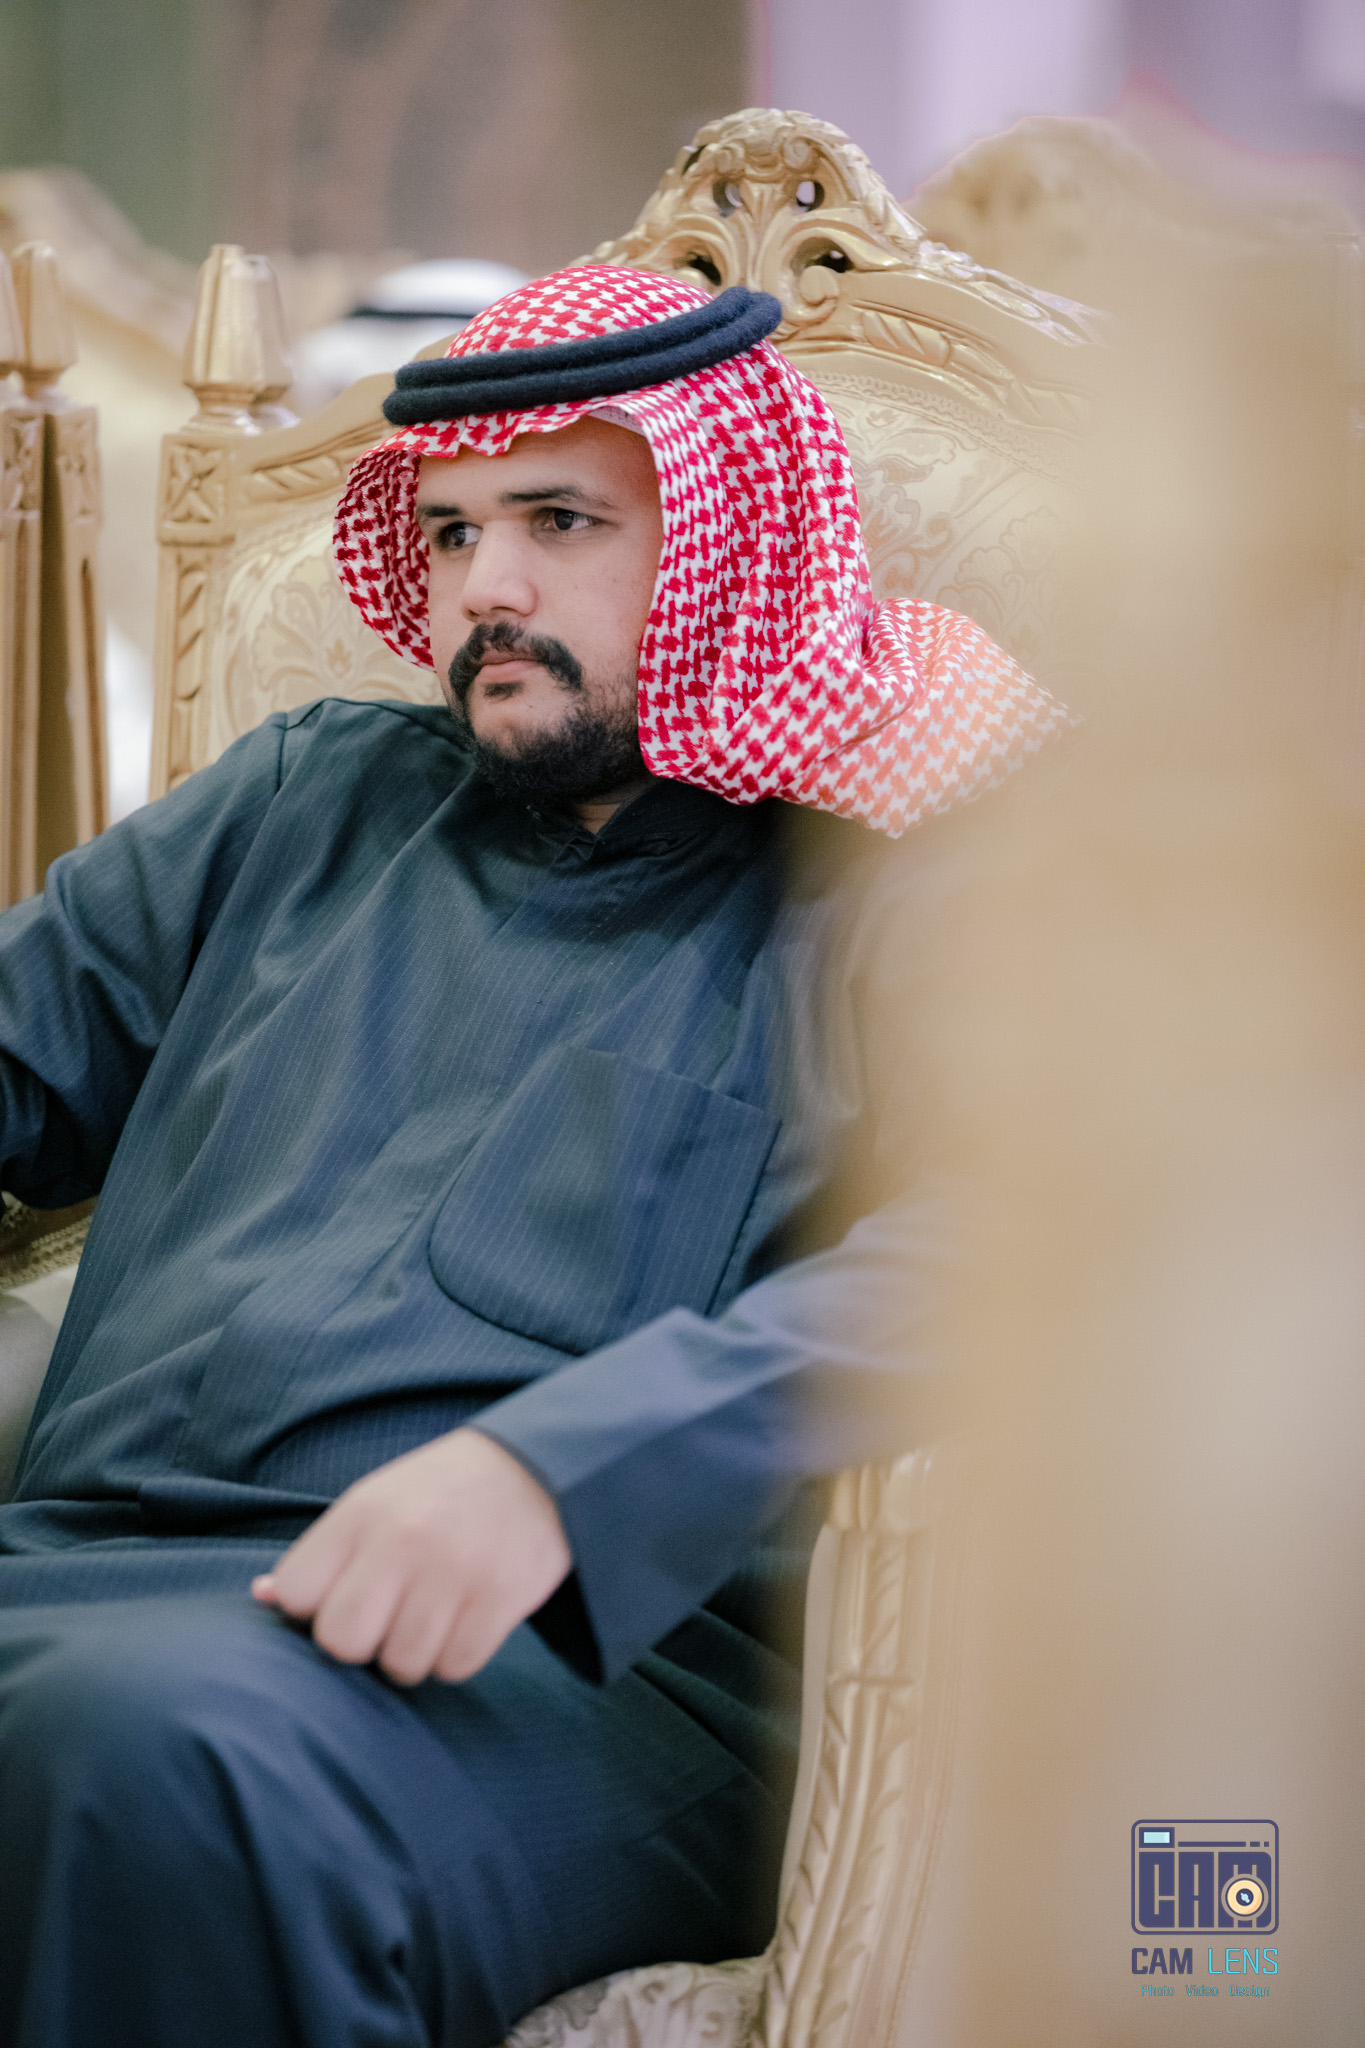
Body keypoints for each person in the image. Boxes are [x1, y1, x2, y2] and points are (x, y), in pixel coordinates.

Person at [0, 266, 1065, 2048]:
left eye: (560, 522)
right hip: (85, 1565)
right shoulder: (305, 798)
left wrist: (563, 1471)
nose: (484, 587)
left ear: (732, 539)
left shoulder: (888, 886)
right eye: (451, 533)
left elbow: (1020, 1254)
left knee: (151, 1761)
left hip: (575, 1665)